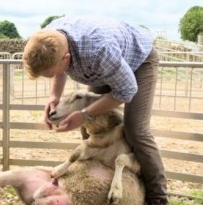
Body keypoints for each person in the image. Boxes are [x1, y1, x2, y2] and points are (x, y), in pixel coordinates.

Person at [22, 16, 168, 205]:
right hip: (101, 68)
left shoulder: (99, 50)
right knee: (87, 124)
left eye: (48, 73)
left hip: (138, 61)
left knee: (135, 129)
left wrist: (84, 114)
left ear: (66, 57)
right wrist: (54, 97)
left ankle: (158, 198)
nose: (50, 76)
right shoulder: (48, 37)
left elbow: (126, 90)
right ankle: (91, 178)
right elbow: (58, 70)